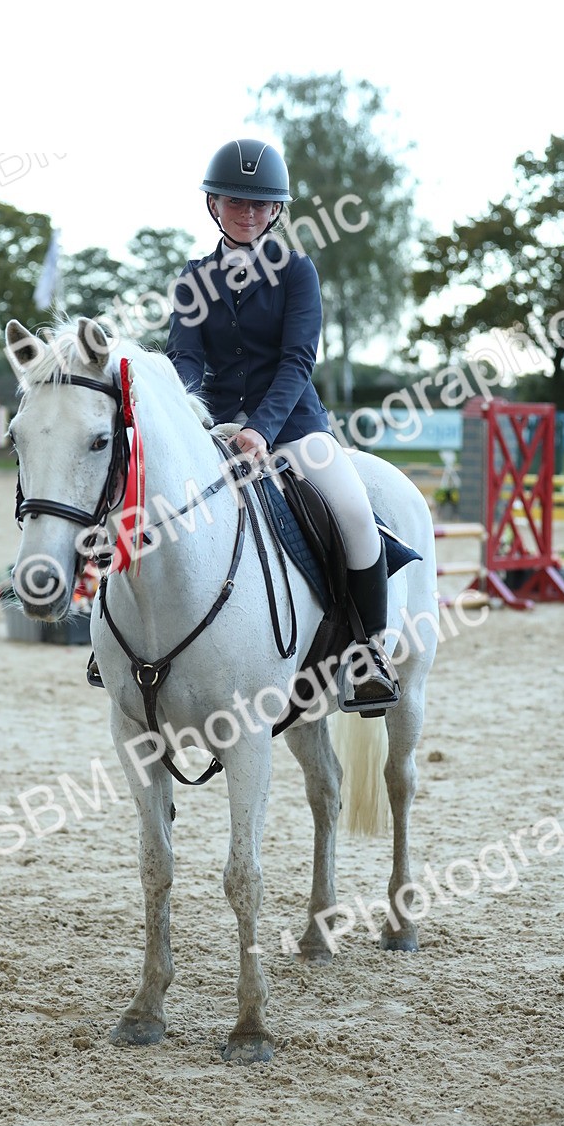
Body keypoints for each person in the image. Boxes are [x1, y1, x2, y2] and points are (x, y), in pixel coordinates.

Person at [164, 138, 399, 715]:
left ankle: (369, 652)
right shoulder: (193, 281)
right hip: (215, 429)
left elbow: (298, 360)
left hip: (294, 427)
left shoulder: (298, 272)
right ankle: (119, 642)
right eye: (235, 203)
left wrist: (263, 430)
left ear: (276, 211)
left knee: (352, 512)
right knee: (151, 501)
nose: (247, 214)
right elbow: (186, 357)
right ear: (214, 205)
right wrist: (191, 414)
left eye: (259, 205)